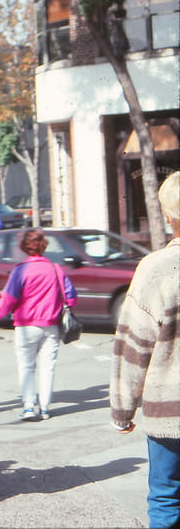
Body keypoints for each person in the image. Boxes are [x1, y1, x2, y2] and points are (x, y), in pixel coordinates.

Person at [110, 171, 180, 529]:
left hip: (169, 411)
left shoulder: (155, 270)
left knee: (165, 497)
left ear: (168, 218)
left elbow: (133, 348)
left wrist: (122, 409)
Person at [0, 229, 78, 421]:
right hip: (51, 325)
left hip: (26, 325)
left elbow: (8, 299)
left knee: (26, 367)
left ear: (24, 248)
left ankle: (28, 406)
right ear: (44, 246)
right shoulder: (56, 269)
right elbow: (71, 297)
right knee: (47, 367)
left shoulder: (20, 270)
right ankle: (44, 407)